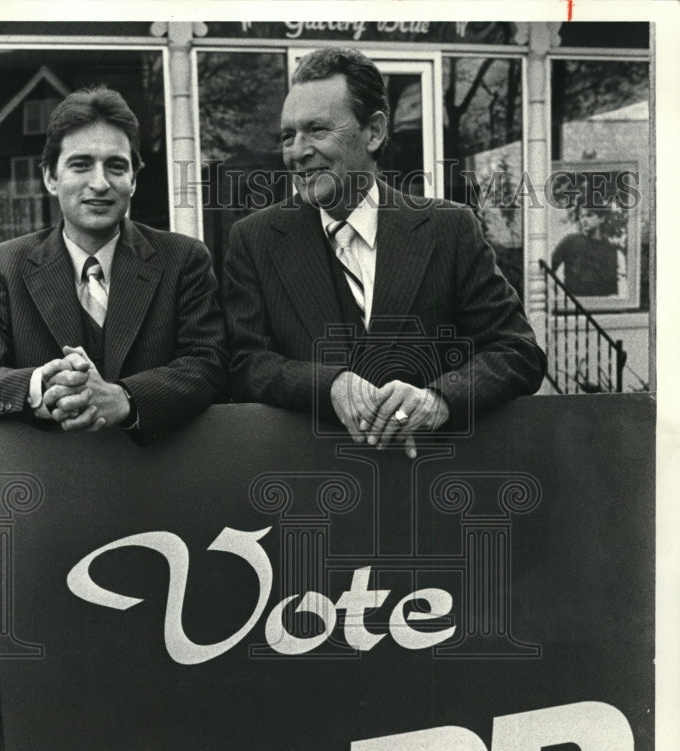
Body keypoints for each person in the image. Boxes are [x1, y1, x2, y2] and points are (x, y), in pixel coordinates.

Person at [224, 48, 546, 457]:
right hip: (307, 485)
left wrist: (438, 400)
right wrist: (330, 385)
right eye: (288, 136)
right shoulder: (254, 240)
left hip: (428, 482)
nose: (297, 152)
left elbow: (518, 353)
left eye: (318, 130)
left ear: (373, 132)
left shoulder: (449, 229)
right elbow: (243, 363)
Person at [0, 86, 227, 442]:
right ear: (50, 177)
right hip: (53, 484)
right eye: (80, 165)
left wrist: (125, 398)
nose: (100, 183)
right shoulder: (5, 267)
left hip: (158, 477)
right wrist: (42, 387)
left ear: (133, 180)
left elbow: (210, 364)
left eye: (116, 166)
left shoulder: (183, 259)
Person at [551, 205, 619, 297]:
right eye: (582, 217)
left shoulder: (609, 248)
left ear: (601, 219)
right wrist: (557, 294)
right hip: (574, 304)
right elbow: (548, 268)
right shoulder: (570, 241)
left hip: (601, 306)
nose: (584, 220)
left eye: (589, 215)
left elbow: (612, 284)